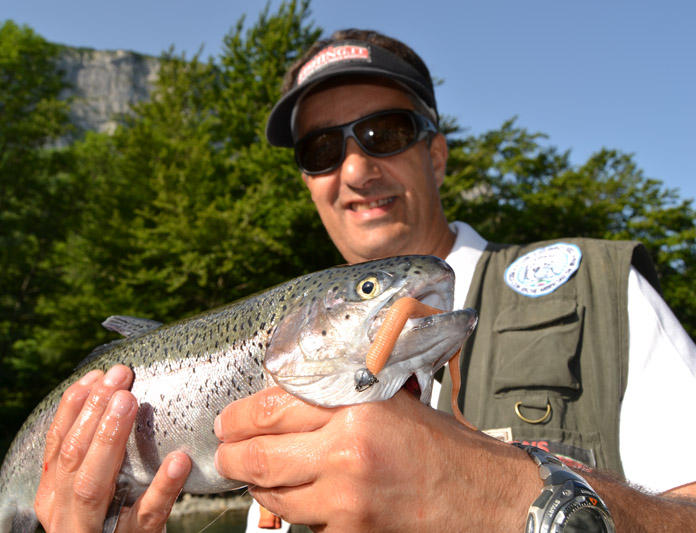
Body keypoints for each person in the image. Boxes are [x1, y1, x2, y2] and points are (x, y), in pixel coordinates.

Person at [35, 29, 696, 531]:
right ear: (309, 182)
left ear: (435, 154)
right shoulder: (280, 362)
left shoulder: (602, 295)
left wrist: (507, 494)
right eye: (322, 149)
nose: (355, 168)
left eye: (385, 132)